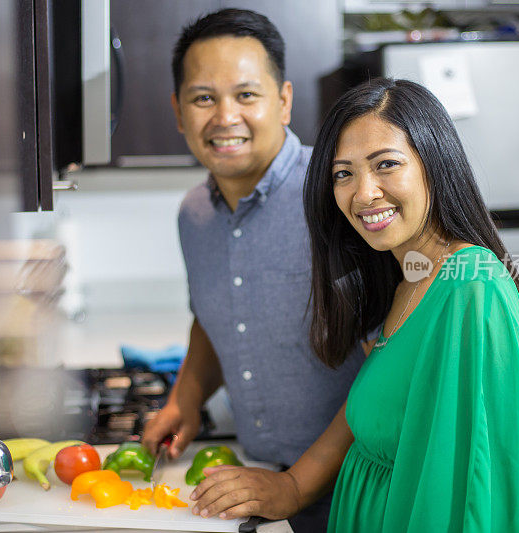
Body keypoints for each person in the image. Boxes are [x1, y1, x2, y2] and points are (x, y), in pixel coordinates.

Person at [189, 78, 519, 532]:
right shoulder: (406, 280)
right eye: (344, 174)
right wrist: (294, 486)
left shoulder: (472, 291)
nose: (364, 193)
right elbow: (369, 412)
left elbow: (481, 490)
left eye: (386, 165)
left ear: (434, 164)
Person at [140, 9, 365, 531]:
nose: (224, 117)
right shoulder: (193, 215)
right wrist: (186, 399)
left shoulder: (341, 196)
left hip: (355, 490)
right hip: (260, 478)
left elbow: (392, 365)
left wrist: (295, 486)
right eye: (203, 98)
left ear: (283, 101)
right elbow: (218, 317)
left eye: (246, 95)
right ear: (178, 111)